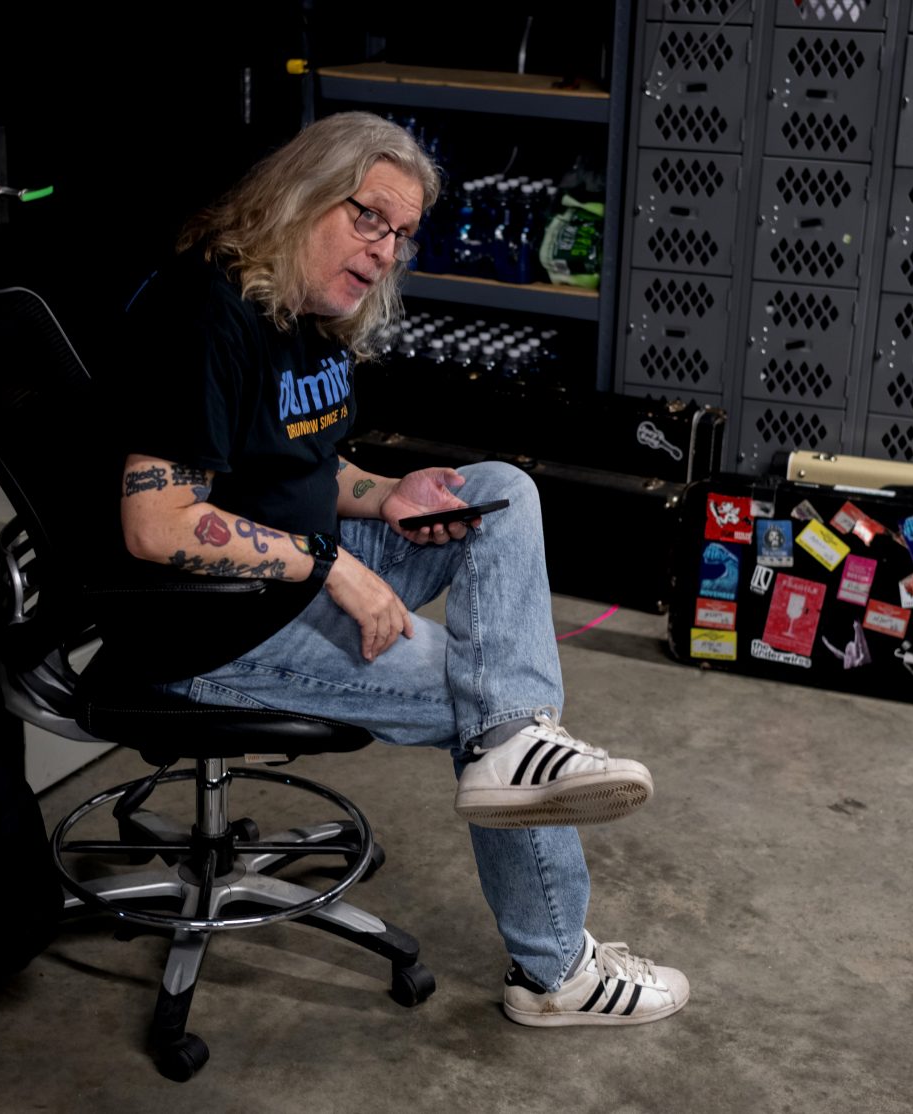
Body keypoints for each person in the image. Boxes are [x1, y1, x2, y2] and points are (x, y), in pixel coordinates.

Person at [111, 111, 689, 1027]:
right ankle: (557, 971)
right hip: (215, 625)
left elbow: (293, 463)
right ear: (300, 196)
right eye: (368, 217)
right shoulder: (205, 315)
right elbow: (156, 522)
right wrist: (334, 568)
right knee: (480, 695)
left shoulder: (303, 307)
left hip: (288, 578)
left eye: (402, 233)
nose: (385, 249)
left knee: (500, 492)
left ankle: (514, 738)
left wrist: (386, 497)